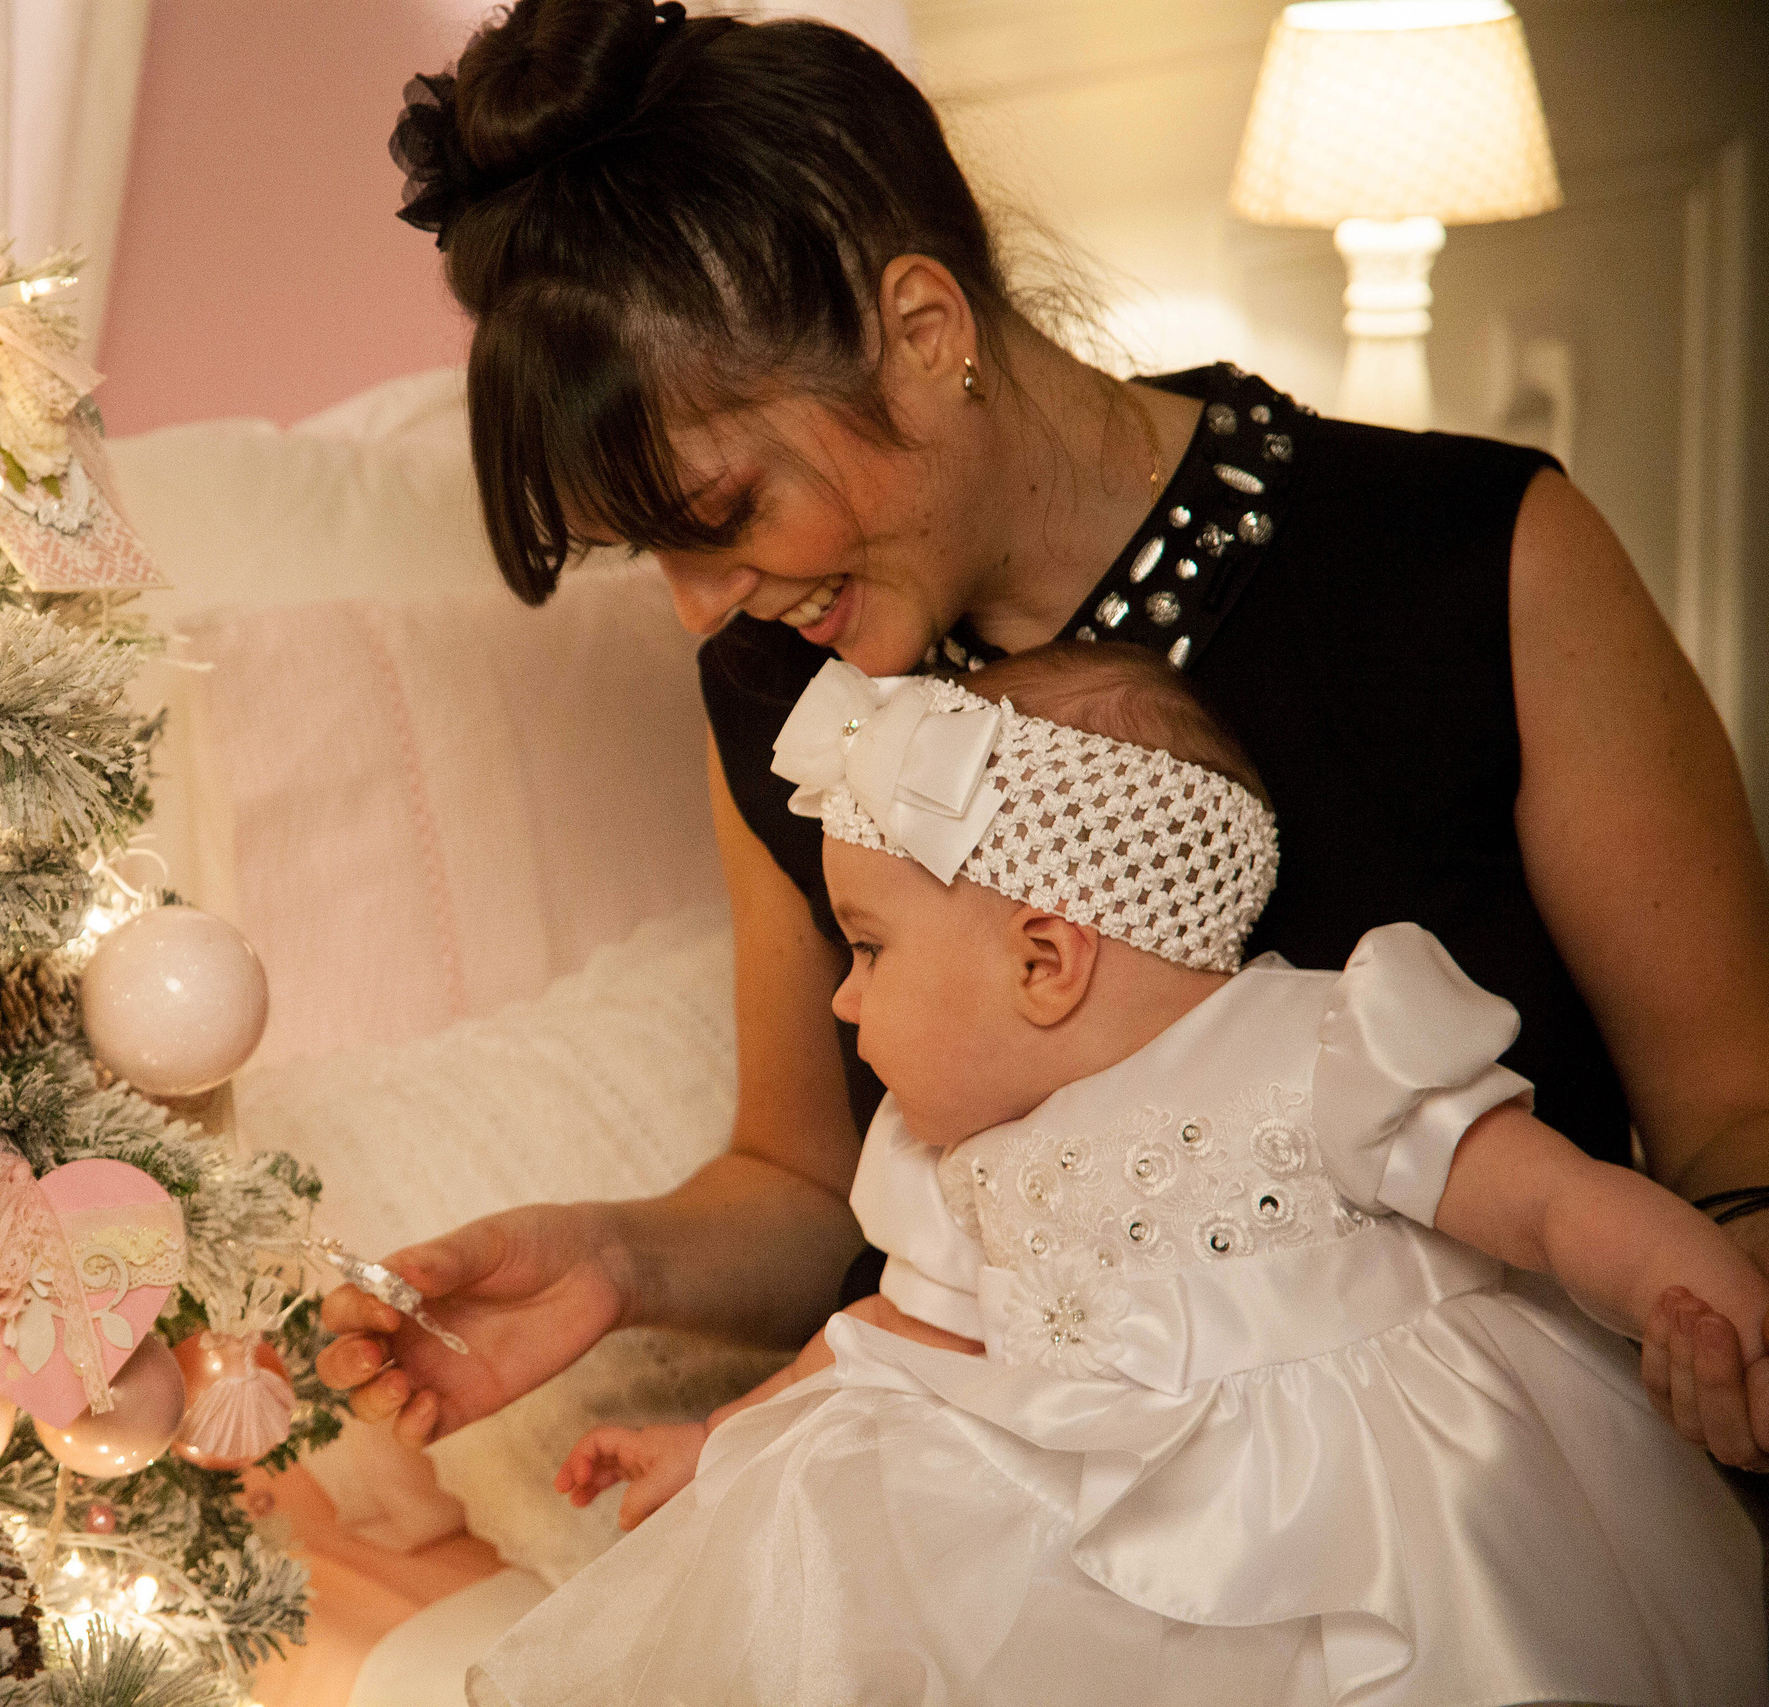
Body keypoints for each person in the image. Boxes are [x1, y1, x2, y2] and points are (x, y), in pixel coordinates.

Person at [320, 0, 1769, 1476]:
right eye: (651, 557)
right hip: (1023, 1505)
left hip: (1479, 1479)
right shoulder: (777, 699)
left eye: (721, 517)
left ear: (923, 333)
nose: (703, 613)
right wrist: (619, 1263)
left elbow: (1735, 1131)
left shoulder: (1478, 558)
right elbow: (812, 1184)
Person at [472, 644, 1766, 1706]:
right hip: (1093, 1565)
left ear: (1047, 959)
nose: (844, 1000)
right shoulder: (952, 1157)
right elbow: (882, 1336)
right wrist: (719, 1440)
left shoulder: (1329, 1046)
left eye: (866, 948)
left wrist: (1684, 1290)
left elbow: (1542, 1197)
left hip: (1384, 1512)